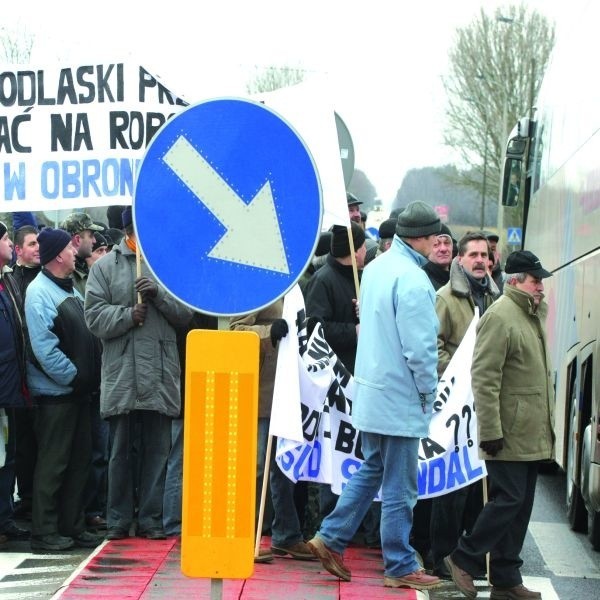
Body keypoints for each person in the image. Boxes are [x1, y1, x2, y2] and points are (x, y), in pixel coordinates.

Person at [307, 201, 442, 591]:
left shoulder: (377, 268)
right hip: (399, 396)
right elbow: (420, 350)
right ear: (421, 238)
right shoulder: (414, 281)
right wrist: (427, 393)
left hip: (371, 392)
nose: (437, 243)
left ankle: (330, 537)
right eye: (434, 236)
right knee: (401, 484)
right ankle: (399, 564)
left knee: (373, 469)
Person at [444, 250, 554, 600]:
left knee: (520, 506)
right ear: (516, 280)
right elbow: (485, 377)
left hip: (529, 432)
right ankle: (463, 557)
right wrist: (490, 430)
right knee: (508, 500)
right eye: (536, 280)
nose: (541, 287)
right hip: (506, 432)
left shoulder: (531, 314)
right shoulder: (501, 316)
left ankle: (506, 577)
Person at [84, 207, 192, 541]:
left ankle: (150, 519)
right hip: (123, 375)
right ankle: (118, 519)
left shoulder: (166, 264)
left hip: (159, 374)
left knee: (158, 452)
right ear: (129, 229)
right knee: (119, 453)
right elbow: (94, 317)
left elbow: (187, 315)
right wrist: (128, 314)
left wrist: (159, 295)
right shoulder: (104, 267)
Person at [25, 228, 102, 551]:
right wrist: (75, 378)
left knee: (80, 461)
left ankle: (72, 524)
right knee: (54, 465)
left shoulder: (70, 287)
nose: (76, 252)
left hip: (79, 393)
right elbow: (44, 349)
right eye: (71, 248)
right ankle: (44, 532)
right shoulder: (39, 293)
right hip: (57, 396)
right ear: (58, 255)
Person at [430, 232, 500, 578]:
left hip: (484, 406)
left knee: (478, 486)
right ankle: (441, 554)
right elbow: (434, 346)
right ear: (459, 259)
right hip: (454, 407)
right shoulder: (446, 297)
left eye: (484, 255)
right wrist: (458, 375)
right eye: (472, 254)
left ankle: (472, 560)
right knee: (452, 487)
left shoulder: (494, 297)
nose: (479, 260)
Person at [230, 300, 316, 562]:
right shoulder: (258, 287)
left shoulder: (294, 290)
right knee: (256, 467)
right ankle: (243, 537)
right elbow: (233, 330)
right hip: (261, 394)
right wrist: (268, 332)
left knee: (283, 467)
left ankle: (285, 535)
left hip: (287, 392)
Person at [0, 222, 30, 544]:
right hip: (3, 389)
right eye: (6, 238)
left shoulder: (6, 283)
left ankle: (5, 518)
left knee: (7, 458)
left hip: (10, 390)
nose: (9, 243)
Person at [11, 225, 41, 519]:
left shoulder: (49, 277)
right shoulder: (12, 281)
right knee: (23, 446)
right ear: (18, 250)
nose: (38, 248)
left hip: (42, 375)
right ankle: (27, 498)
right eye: (32, 244)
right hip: (19, 376)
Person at [60, 212, 104, 297]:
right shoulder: (65, 275)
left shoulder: (84, 268)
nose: (94, 241)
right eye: (91, 236)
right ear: (77, 240)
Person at [423, 224, 454, 291]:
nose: (443, 249)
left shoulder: (460, 278)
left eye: (447, 243)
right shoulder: (422, 281)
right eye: (436, 244)